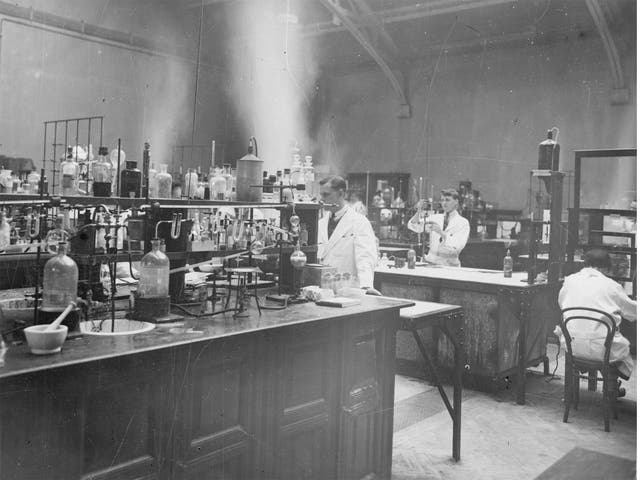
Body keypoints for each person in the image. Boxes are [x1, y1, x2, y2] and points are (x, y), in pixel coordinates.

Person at [556, 248, 637, 386]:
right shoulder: (611, 286)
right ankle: (611, 386)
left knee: (603, 339)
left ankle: (584, 387)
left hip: (572, 345)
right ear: (605, 267)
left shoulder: (570, 281)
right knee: (620, 349)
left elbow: (561, 303)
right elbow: (633, 313)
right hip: (602, 349)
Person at [318, 176, 380, 295]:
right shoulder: (320, 223)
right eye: (321, 195)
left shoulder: (359, 222)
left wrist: (366, 286)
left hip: (348, 289)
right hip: (323, 289)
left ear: (340, 194)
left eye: (326, 195)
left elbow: (365, 256)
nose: (321, 199)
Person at [406, 188, 470, 267]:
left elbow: (457, 246)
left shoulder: (463, 223)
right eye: (442, 200)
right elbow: (413, 226)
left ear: (456, 201)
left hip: (450, 266)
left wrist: (441, 233)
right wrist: (419, 211)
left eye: (447, 200)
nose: (444, 203)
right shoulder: (435, 218)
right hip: (431, 263)